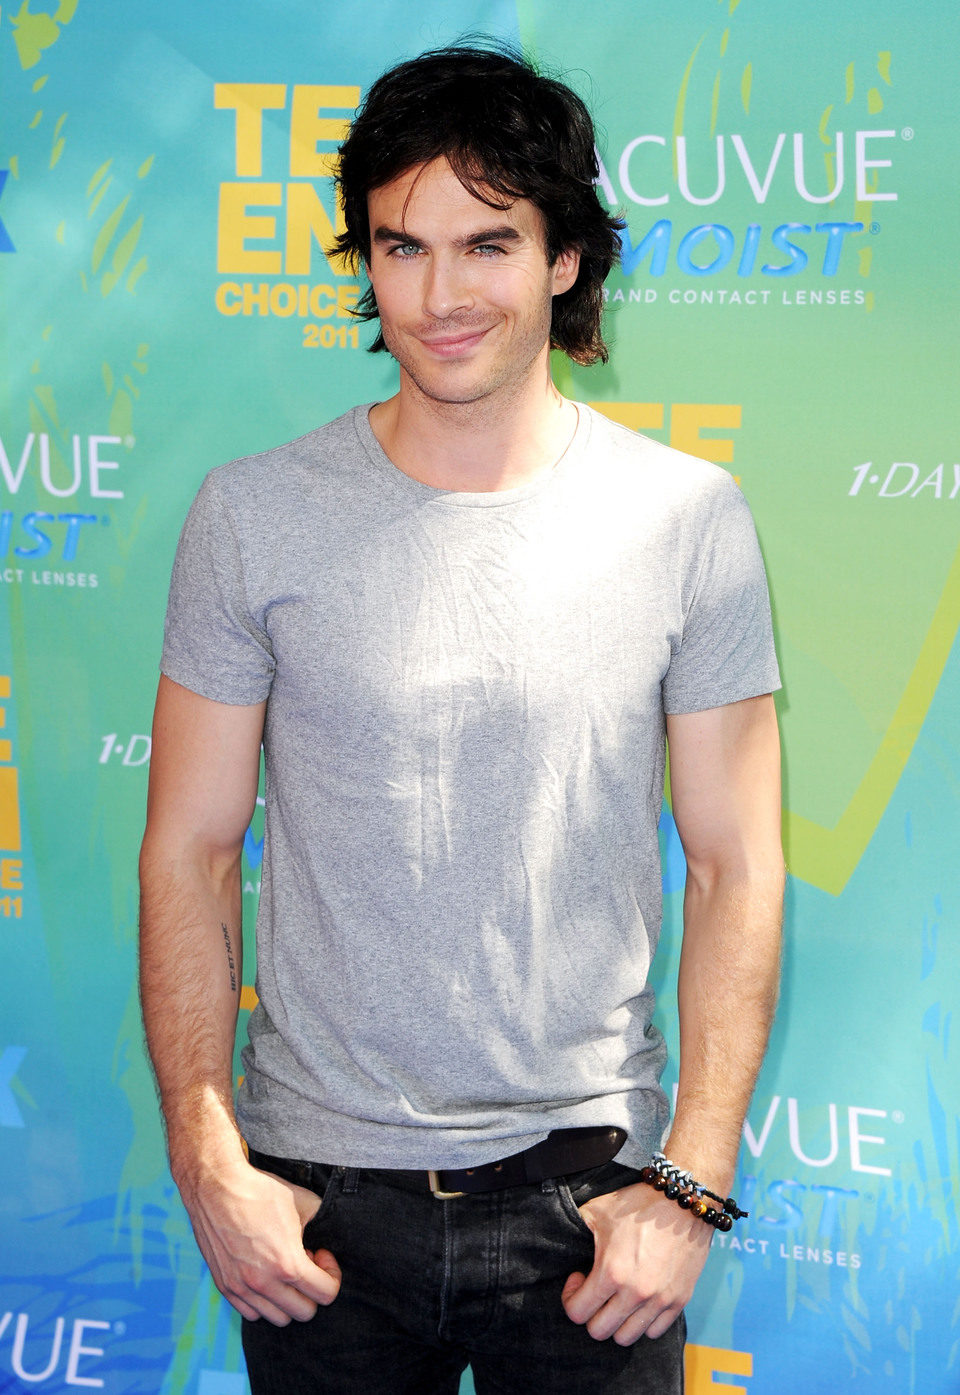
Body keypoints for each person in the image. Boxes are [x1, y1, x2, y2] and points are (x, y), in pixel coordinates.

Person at [139, 41, 784, 1395]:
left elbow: (737, 864)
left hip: (592, 1215)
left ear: (564, 259)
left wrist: (692, 1186)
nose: (440, 296)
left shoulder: (686, 520)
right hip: (313, 1216)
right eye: (401, 247)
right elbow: (190, 849)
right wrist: (212, 1167)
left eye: (487, 244)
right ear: (364, 263)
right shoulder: (250, 514)